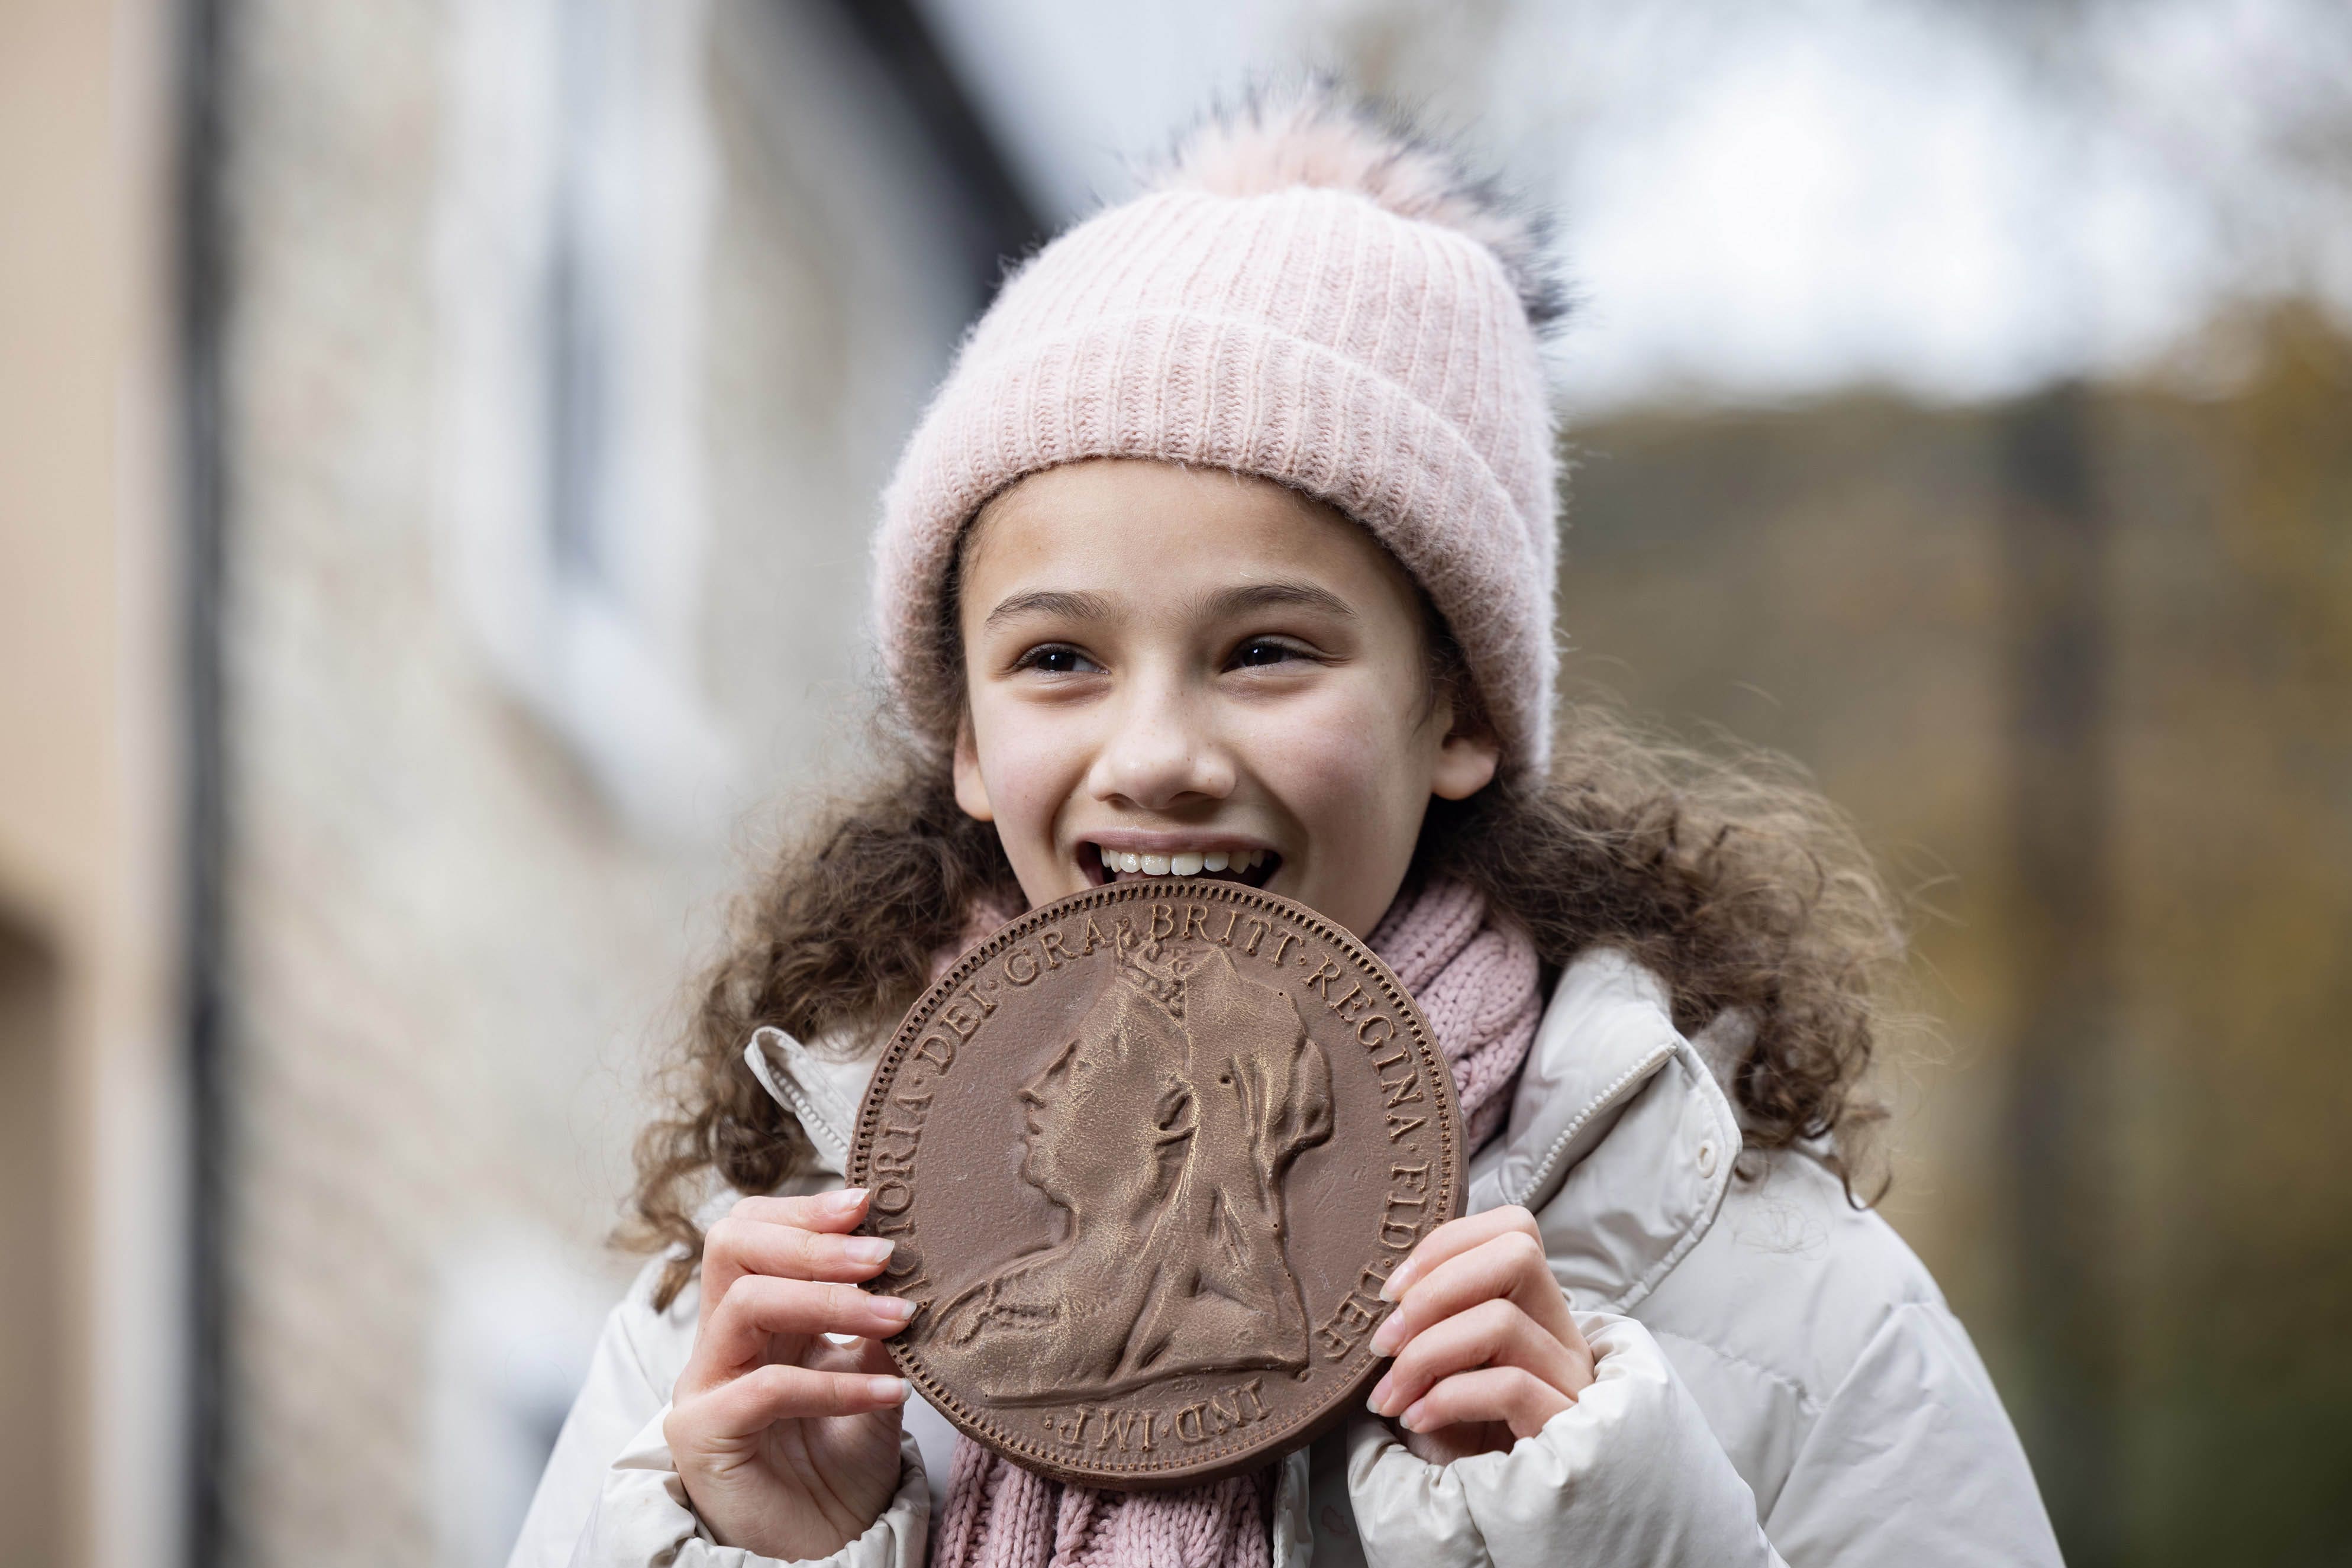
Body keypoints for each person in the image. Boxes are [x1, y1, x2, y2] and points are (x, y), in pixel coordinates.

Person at [512, 83, 2063, 1568]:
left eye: (1267, 650)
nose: (1161, 753)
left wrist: (1620, 1530)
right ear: (969, 739)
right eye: (1058, 659)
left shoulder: (1768, 1301)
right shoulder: (762, 1325)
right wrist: (764, 1550)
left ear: (1458, 713)